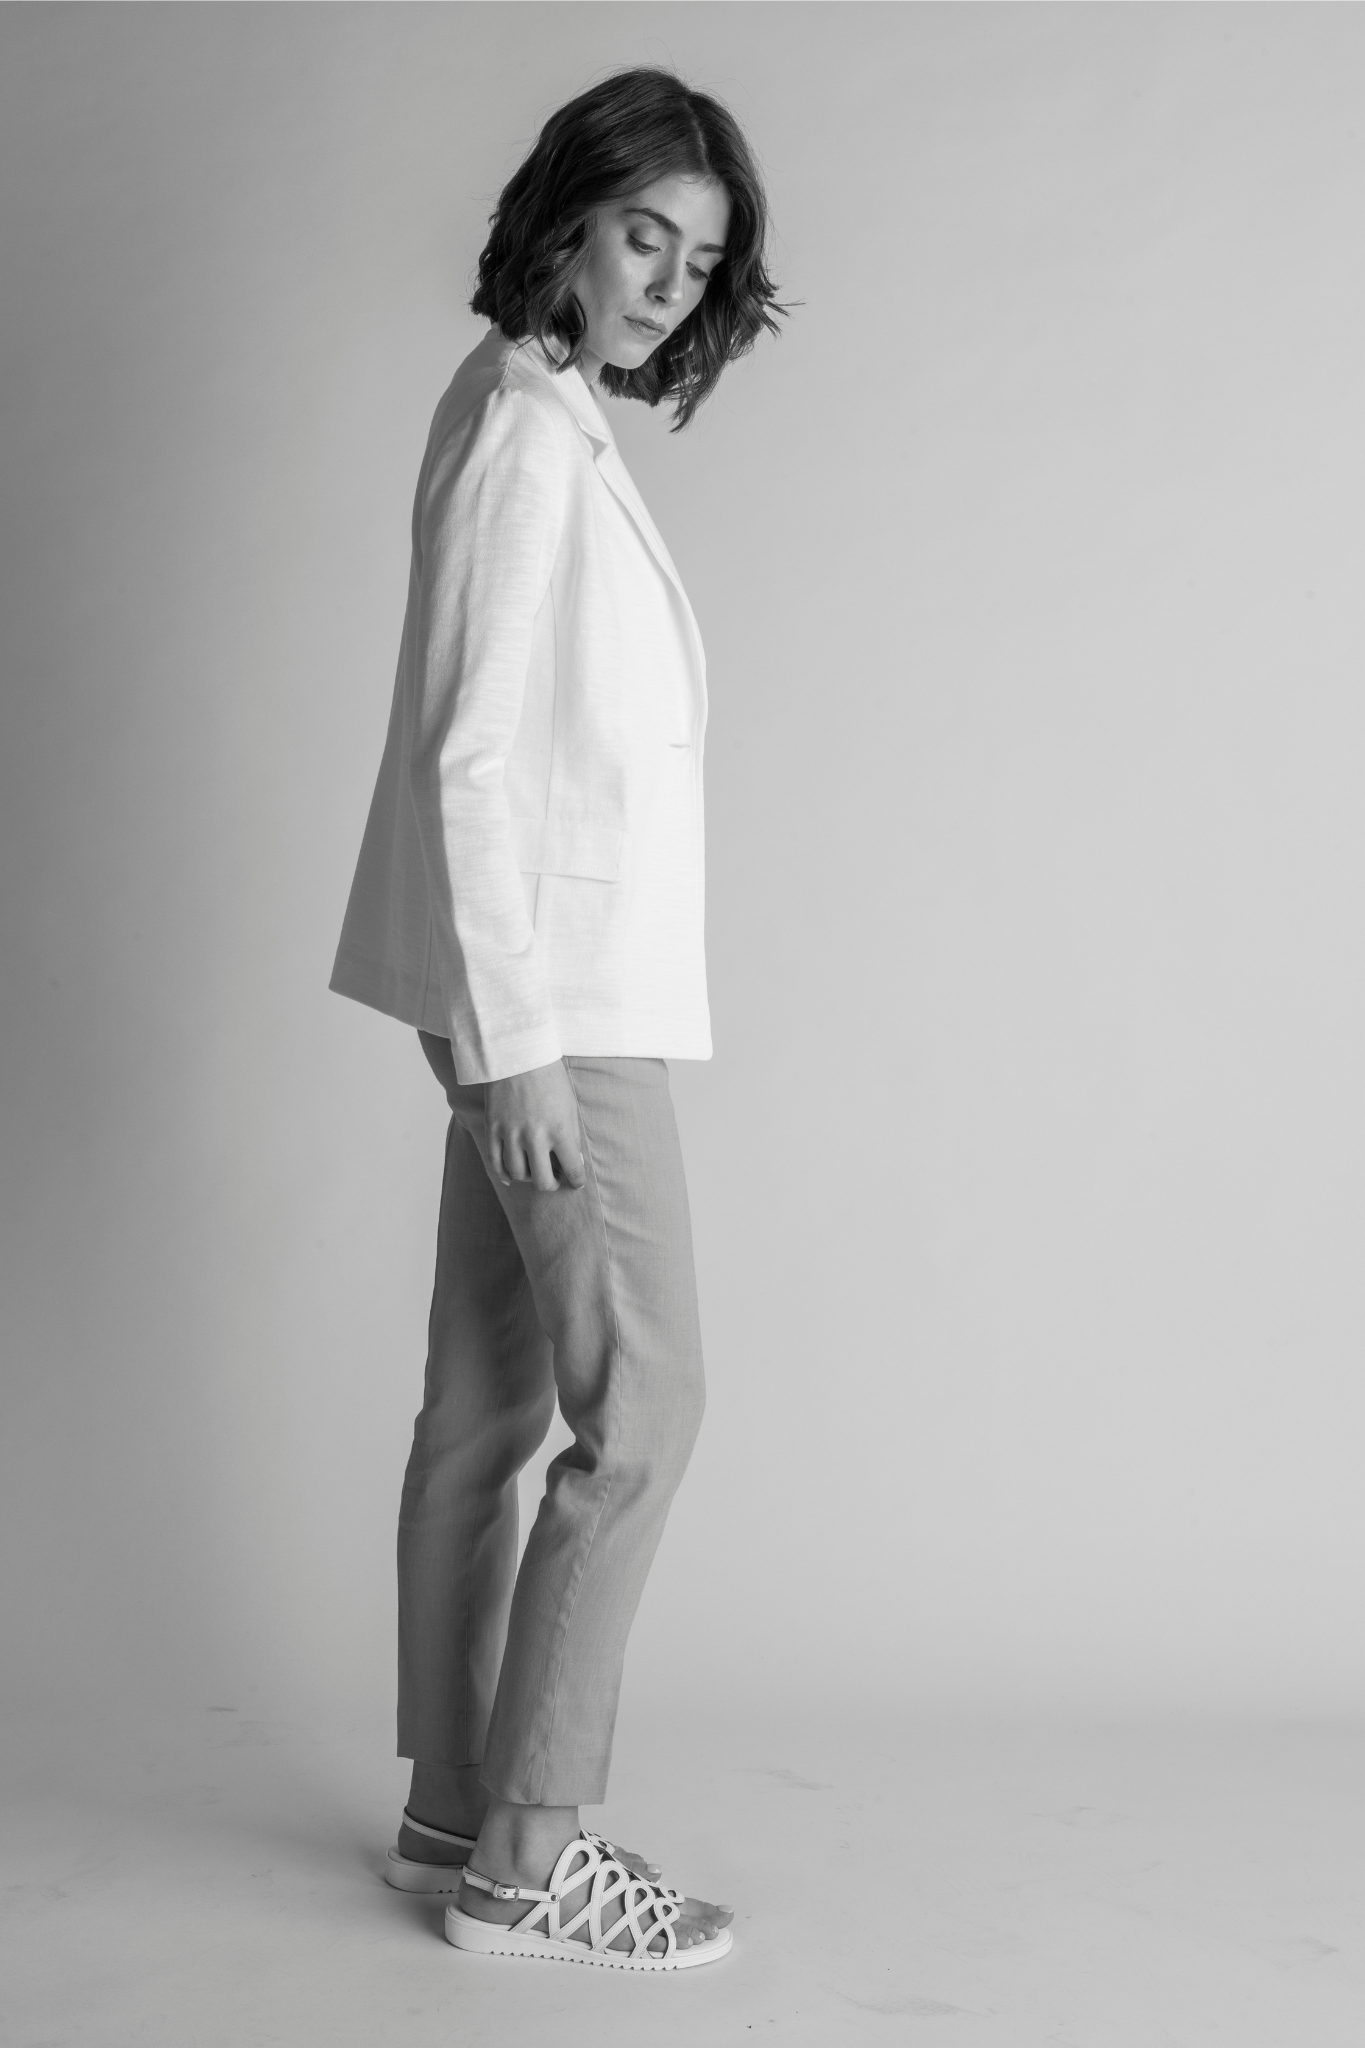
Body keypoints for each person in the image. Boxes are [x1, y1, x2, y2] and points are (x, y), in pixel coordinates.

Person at [329, 66, 783, 1972]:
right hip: (557, 1003)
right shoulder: (526, 433)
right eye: (641, 236)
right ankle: (529, 1859)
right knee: (644, 1404)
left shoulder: (535, 405)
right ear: (567, 224)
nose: (669, 282)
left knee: (490, 1407)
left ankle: (453, 1807)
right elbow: (472, 755)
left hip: (533, 988)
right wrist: (515, 1041)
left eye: (699, 257)